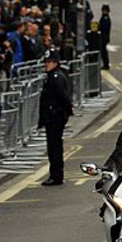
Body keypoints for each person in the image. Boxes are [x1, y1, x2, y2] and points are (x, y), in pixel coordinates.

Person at [38, 48, 73, 186]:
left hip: (55, 117)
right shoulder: (55, 76)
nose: (46, 65)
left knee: (54, 147)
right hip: (54, 117)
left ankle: (56, 175)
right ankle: (56, 174)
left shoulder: (56, 77)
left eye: (49, 62)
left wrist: (66, 110)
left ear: (55, 62)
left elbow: (63, 97)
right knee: (54, 146)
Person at [99, 4, 111, 70]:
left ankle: (106, 64)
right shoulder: (104, 17)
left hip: (104, 37)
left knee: (104, 52)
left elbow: (103, 27)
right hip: (104, 37)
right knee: (103, 51)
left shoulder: (105, 18)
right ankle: (105, 64)